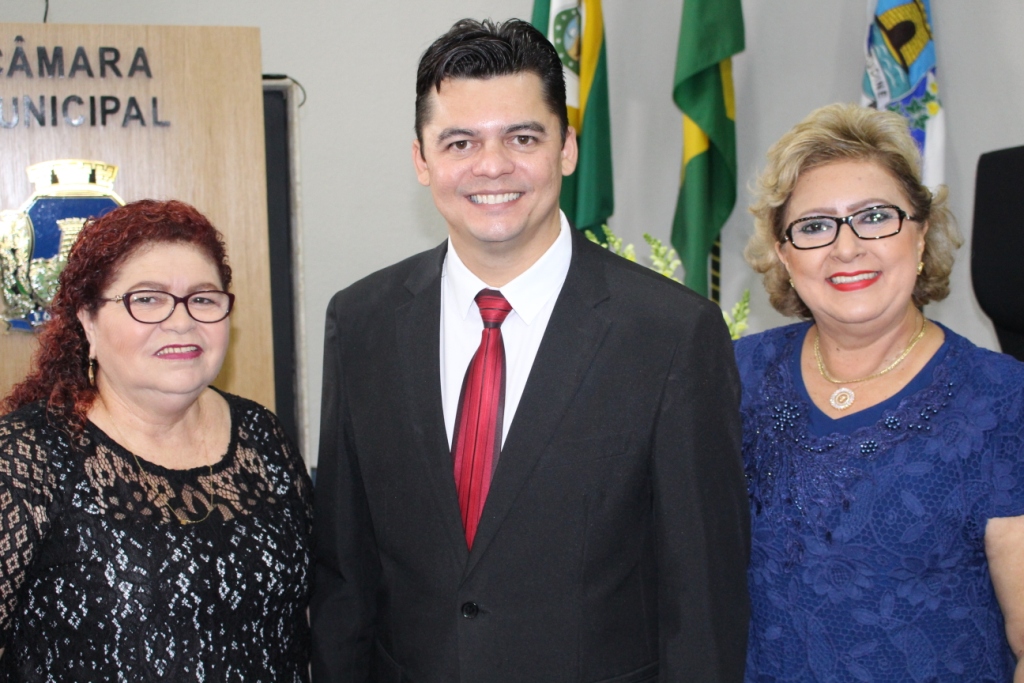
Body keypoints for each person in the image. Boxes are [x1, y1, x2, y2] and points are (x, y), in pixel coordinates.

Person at [312, 17, 749, 683]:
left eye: (522, 138)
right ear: (421, 160)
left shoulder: (671, 333)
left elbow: (703, 601)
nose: (492, 166)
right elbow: (346, 575)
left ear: (567, 148)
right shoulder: (361, 322)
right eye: (460, 141)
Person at [737, 103, 1024, 682]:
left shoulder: (1003, 401)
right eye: (814, 226)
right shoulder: (732, 375)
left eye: (874, 217)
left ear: (921, 235)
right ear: (784, 255)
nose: (846, 248)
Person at [0, 200, 313, 681]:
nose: (182, 322)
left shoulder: (261, 434)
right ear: (88, 320)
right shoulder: (26, 456)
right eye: (147, 299)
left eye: (203, 299)